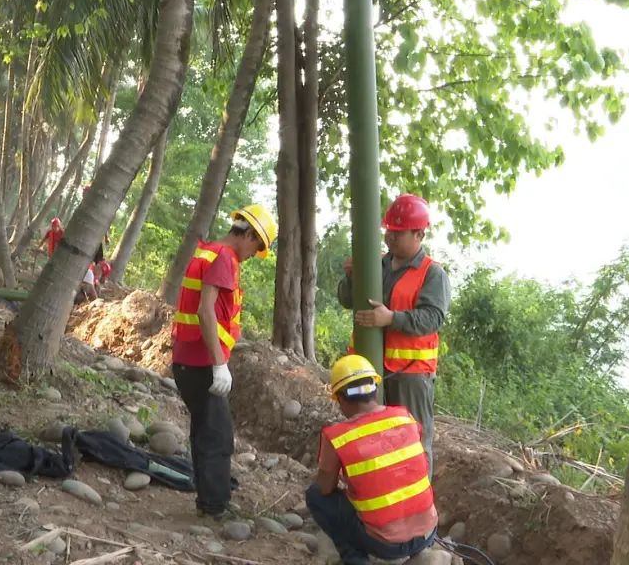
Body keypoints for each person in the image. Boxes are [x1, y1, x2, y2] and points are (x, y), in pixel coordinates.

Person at [171, 204, 277, 520]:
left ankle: (208, 499)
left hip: (188, 358)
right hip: (202, 362)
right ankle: (215, 507)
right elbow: (205, 311)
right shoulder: (223, 258)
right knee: (216, 435)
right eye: (255, 246)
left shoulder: (208, 252)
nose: (251, 253)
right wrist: (219, 364)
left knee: (206, 430)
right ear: (248, 234)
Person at [338, 193, 450, 478]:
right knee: (372, 437)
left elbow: (433, 318)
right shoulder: (377, 264)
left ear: (419, 234)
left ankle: (419, 508)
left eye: (399, 233)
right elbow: (347, 299)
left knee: (413, 439)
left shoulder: (432, 274)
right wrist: (352, 276)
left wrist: (392, 318)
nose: (391, 238)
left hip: (411, 375)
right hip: (371, 369)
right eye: (389, 231)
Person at [307, 355, 438, 565]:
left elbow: (324, 489)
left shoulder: (338, 436)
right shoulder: (405, 417)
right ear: (375, 389)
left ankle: (355, 558)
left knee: (315, 496)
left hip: (385, 545)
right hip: (428, 533)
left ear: (340, 398)